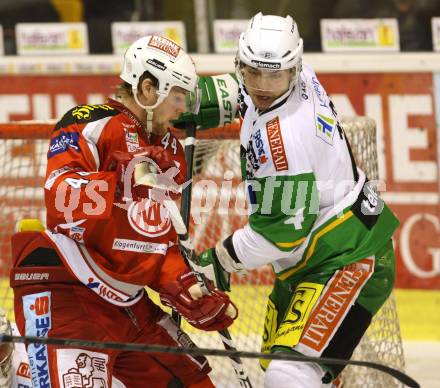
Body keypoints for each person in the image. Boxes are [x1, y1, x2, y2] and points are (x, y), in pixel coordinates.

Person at [180, 12, 399, 387]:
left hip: (349, 259)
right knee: (291, 371)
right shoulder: (299, 75)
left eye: (274, 75)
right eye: (253, 73)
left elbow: (278, 236)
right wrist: (188, 98)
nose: (263, 86)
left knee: (289, 375)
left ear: (293, 70)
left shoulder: (283, 142)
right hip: (317, 257)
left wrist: (216, 261)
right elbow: (245, 88)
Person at [10, 35, 237, 388]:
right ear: (148, 88)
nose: (182, 108)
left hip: (129, 305)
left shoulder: (169, 150)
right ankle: (17, 368)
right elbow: (58, 198)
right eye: (177, 95)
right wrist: (118, 181)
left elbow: (155, 239)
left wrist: (184, 287)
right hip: (69, 292)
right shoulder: (89, 121)